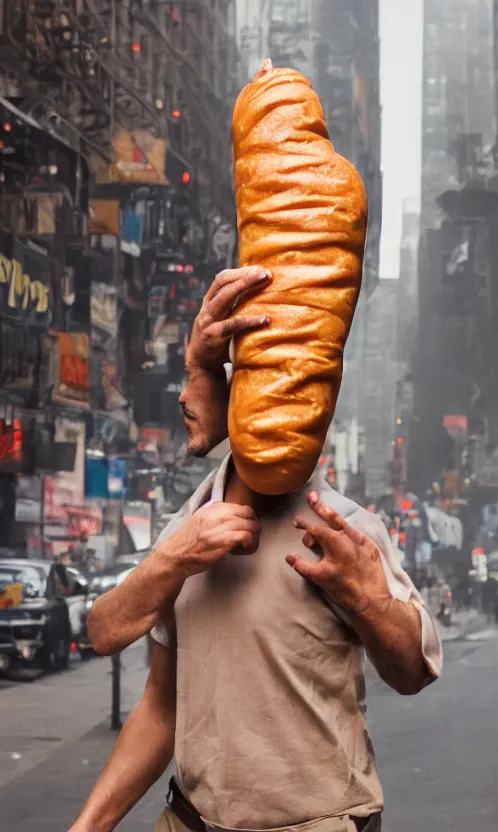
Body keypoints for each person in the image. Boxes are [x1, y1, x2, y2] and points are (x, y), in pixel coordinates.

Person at [71, 266, 442, 832]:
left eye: (212, 374)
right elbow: (150, 692)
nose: (185, 395)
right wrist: (88, 826)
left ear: (265, 401)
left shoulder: (344, 529)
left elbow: (413, 670)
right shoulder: (189, 528)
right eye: (197, 368)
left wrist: (364, 599)